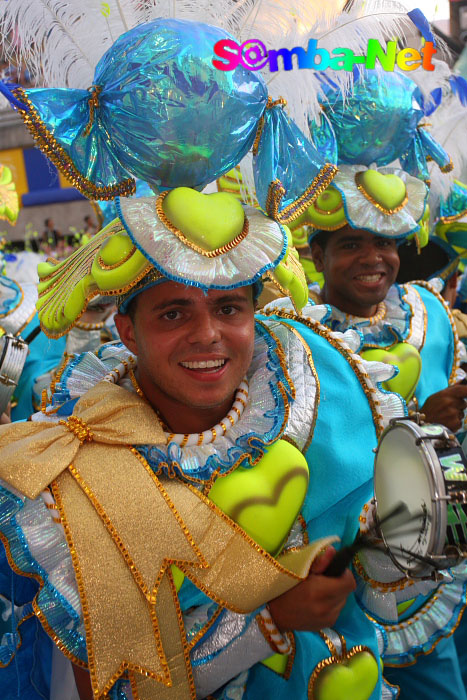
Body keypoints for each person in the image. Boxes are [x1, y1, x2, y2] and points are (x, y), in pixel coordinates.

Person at [0, 187, 411, 700]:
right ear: (127, 331)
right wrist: (271, 620)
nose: (208, 334)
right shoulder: (71, 470)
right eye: (173, 314)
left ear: (255, 315)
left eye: (229, 308)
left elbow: (393, 582)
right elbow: (108, 684)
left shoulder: (327, 390)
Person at [299, 174, 467, 700]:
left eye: (386, 242)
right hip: (344, 576)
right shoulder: (295, 336)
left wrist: (446, 426)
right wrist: (421, 419)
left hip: (439, 545)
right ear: (317, 253)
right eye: (351, 244)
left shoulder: (431, 315)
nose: (374, 258)